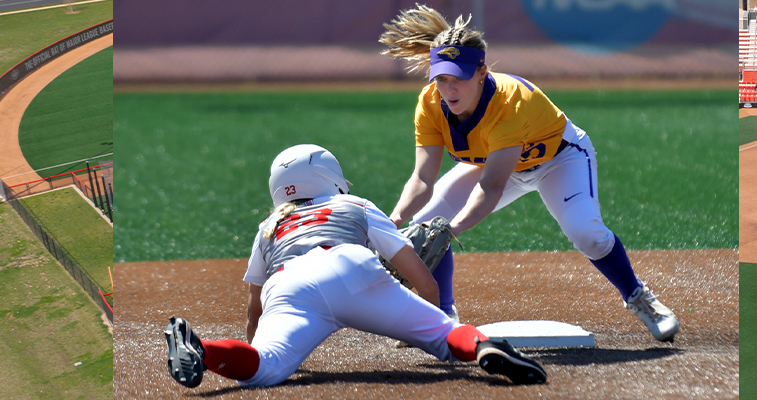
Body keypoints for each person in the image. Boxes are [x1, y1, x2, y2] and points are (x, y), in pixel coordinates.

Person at [378, 5, 679, 343]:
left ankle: (639, 297)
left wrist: (452, 229)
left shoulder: (510, 102)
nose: (450, 90)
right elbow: (422, 179)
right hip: (493, 163)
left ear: (480, 72)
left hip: (559, 161)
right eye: (442, 79)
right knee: (427, 222)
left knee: (587, 234)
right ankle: (444, 317)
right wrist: (393, 221)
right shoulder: (431, 104)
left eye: (459, 78)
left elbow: (492, 186)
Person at [162, 144, 547, 388]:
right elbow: (420, 276)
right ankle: (482, 347)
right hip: (350, 266)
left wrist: (257, 342)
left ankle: (205, 350)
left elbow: (254, 309)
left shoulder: (269, 226)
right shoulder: (355, 204)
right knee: (446, 337)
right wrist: (436, 315)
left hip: (286, 284)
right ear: (328, 177)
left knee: (265, 367)